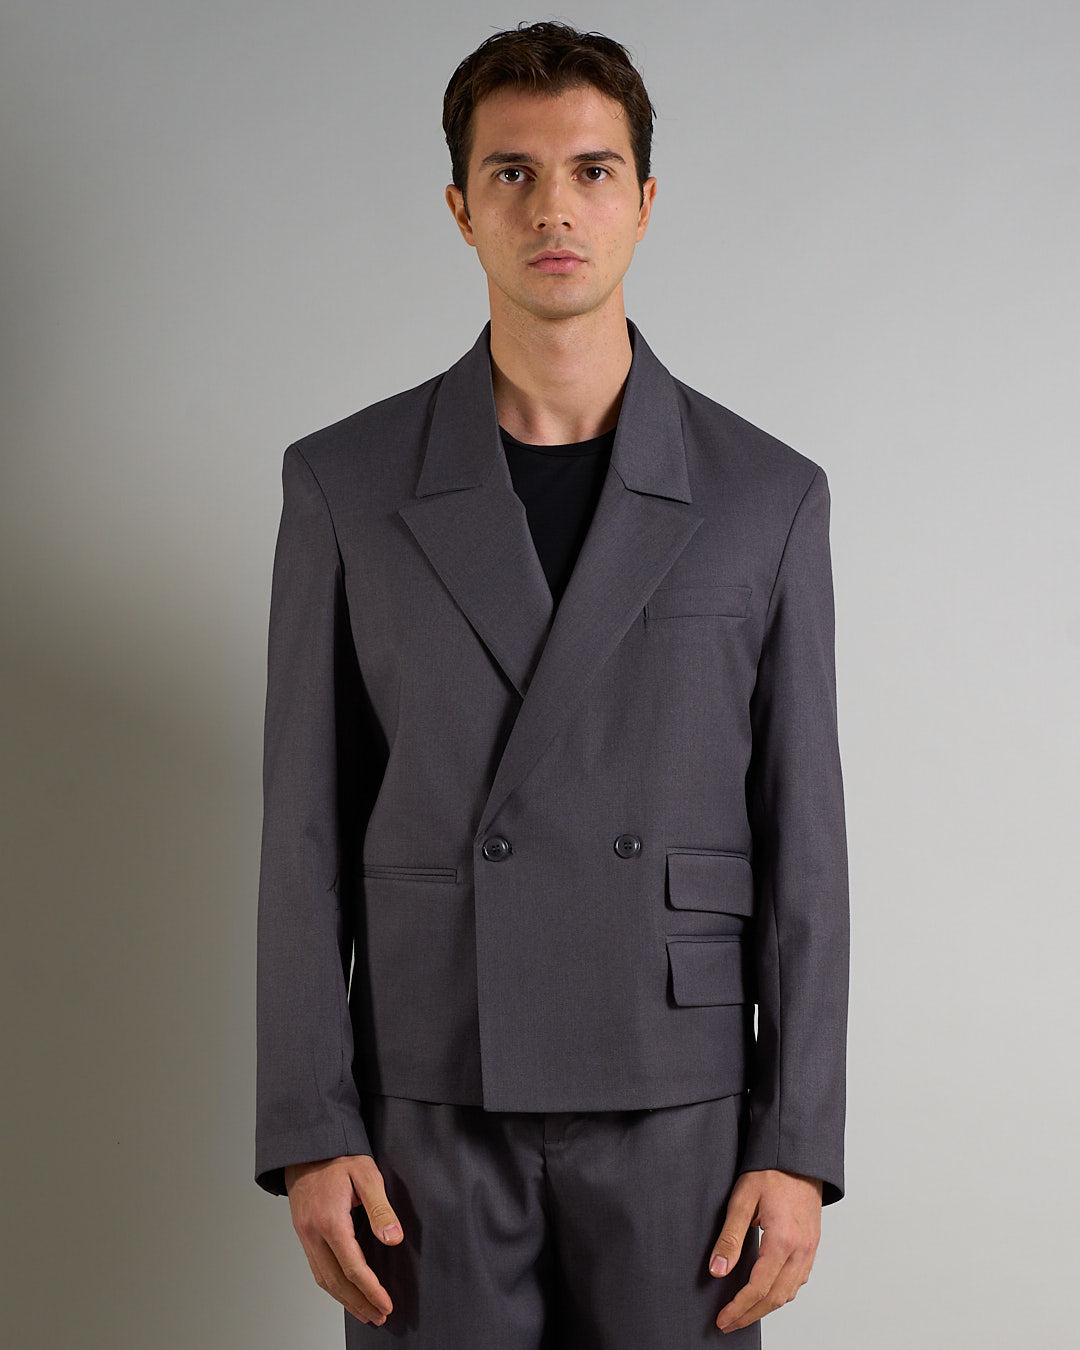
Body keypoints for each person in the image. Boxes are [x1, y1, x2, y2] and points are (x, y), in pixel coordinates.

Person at [255, 20, 850, 1349]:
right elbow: (302, 829)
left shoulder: (767, 496)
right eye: (512, 173)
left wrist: (798, 1140)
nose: (554, 209)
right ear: (460, 207)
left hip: (682, 1099)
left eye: (592, 171)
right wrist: (310, 1123)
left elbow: (805, 840)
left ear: (644, 200)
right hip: (429, 1093)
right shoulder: (345, 484)